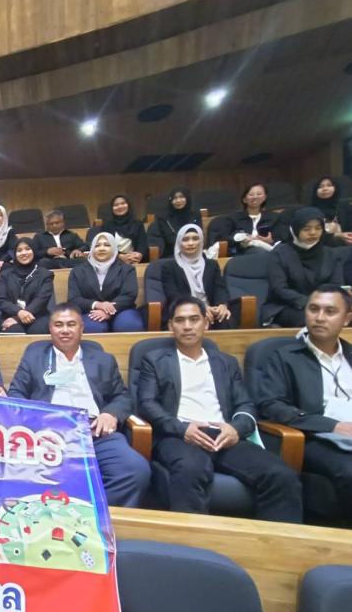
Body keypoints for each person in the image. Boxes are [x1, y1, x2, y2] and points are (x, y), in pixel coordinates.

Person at [137, 297, 302, 521]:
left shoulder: (226, 362)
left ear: (206, 323)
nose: (187, 326)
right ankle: (192, 540)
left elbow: (245, 404)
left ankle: (275, 540)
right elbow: (147, 404)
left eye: (194, 319)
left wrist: (236, 429)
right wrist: (183, 428)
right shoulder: (154, 360)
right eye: (180, 320)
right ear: (170, 326)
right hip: (179, 436)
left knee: (281, 475)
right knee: (191, 470)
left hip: (224, 435)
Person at [8, 302, 150, 507]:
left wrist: (110, 414)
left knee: (136, 471)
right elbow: (16, 393)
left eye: (71, 324)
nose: (65, 330)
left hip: (94, 432)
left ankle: (96, 516)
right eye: (58, 325)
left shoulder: (103, 360)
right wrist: (36, 422)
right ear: (50, 329)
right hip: (49, 435)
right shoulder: (34, 358)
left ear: (81, 328)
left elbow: (122, 396)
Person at [259, 286, 352, 523]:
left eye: (330, 311)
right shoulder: (284, 356)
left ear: (346, 319)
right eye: (313, 309)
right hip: (315, 437)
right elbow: (272, 405)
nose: (319, 317)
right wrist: (333, 426)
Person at [262, 207, 342, 327]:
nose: (313, 233)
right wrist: (310, 303)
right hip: (287, 306)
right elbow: (279, 289)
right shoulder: (280, 253)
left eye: (318, 228)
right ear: (295, 229)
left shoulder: (331, 254)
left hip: (325, 305)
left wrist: (323, 303)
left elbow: (336, 285)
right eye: (306, 229)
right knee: (311, 319)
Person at [68, 232, 144, 333]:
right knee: (92, 327)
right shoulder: (77, 271)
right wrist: (97, 305)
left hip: (122, 309)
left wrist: (108, 311)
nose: (102, 248)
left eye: (107, 245)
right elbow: (73, 298)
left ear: (114, 248)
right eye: (97, 245)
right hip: (91, 311)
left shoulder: (127, 269)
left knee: (129, 325)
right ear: (92, 249)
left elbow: (129, 295)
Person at [161, 224, 231, 327]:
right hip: (183, 309)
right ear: (179, 243)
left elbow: (219, 288)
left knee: (225, 319)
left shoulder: (211, 264)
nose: (191, 243)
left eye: (195, 238)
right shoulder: (169, 267)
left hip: (211, 309)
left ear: (201, 241)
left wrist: (222, 305)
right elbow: (173, 295)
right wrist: (200, 308)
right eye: (185, 239)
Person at [0, 237, 53, 334]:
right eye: (19, 250)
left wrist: (19, 317)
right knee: (13, 331)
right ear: (15, 254)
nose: (24, 253)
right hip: (9, 316)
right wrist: (18, 312)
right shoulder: (4, 275)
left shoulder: (45, 274)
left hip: (38, 315)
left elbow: (42, 299)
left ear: (34, 251)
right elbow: (1, 301)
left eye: (28, 249)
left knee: (38, 330)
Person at [220, 182, 284, 255]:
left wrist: (271, 241)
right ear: (244, 199)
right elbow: (225, 239)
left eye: (259, 194)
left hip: (270, 251)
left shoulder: (274, 217)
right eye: (251, 194)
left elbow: (282, 238)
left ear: (264, 197)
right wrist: (241, 241)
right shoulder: (233, 218)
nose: (255, 197)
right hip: (243, 253)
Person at [87, 195, 147, 264]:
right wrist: (119, 256)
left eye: (123, 203)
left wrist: (139, 254)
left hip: (135, 260)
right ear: (112, 208)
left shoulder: (137, 224)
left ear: (128, 205)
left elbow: (142, 244)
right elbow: (105, 246)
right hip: (113, 261)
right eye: (116, 205)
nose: (120, 206)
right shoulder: (107, 225)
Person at [147, 187, 201, 259]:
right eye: (175, 198)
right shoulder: (163, 217)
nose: (178, 200)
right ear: (171, 201)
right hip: (171, 254)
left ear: (187, 198)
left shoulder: (195, 215)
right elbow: (167, 239)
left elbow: (199, 236)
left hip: (193, 252)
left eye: (181, 197)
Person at [310, 175, 352, 246]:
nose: (325, 189)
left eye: (329, 185)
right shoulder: (310, 211)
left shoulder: (345, 207)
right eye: (320, 187)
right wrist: (337, 235)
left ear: (336, 188)